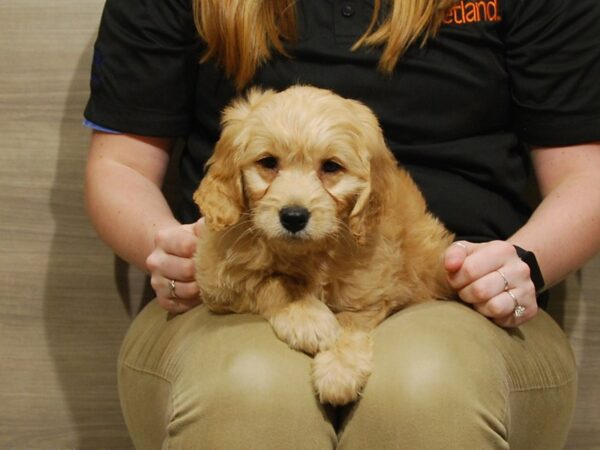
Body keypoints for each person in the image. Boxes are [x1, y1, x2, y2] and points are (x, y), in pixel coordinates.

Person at [83, 0, 600, 448]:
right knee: (250, 389)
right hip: (238, 282)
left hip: (452, 294)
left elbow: (585, 175)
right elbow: (121, 165)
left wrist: (523, 263)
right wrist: (163, 243)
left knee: (425, 387)